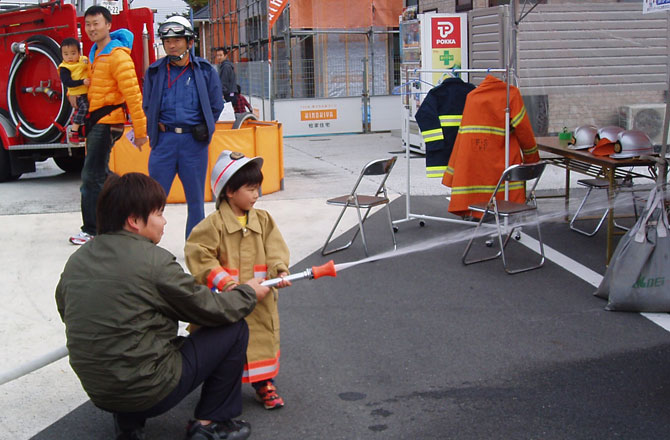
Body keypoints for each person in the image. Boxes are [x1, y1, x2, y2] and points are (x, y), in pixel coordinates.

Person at [56, 172, 268, 440]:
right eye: (158, 213)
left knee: (124, 340)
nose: (164, 221)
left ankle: (128, 425)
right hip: (149, 390)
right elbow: (210, 308)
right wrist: (248, 292)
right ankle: (211, 423)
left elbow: (67, 311)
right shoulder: (153, 262)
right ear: (134, 220)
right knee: (234, 327)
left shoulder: (76, 261)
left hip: (98, 390)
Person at [185, 150, 290, 411]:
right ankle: (219, 390)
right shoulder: (214, 224)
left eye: (257, 188)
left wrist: (279, 270)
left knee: (261, 341)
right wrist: (225, 283)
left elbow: (275, 247)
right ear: (229, 191)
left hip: (261, 299)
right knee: (223, 345)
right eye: (250, 189)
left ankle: (264, 383)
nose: (256, 195)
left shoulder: (264, 220)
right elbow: (198, 253)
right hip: (226, 301)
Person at [68, 5, 148, 245]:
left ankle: (92, 229)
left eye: (96, 23)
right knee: (100, 174)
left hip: (108, 121)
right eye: (88, 24)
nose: (92, 28)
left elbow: (133, 95)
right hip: (96, 120)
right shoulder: (93, 53)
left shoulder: (118, 56)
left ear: (109, 25)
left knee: (91, 177)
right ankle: (131, 201)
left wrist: (141, 131)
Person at [143, 16, 224, 239]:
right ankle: (147, 247)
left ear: (189, 42)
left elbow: (216, 104)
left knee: (196, 202)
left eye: (177, 40)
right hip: (164, 142)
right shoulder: (155, 71)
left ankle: (195, 250)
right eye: (167, 40)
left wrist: (204, 126)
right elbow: (147, 104)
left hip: (194, 144)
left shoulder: (205, 71)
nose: (171, 45)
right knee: (153, 199)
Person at [442, 74, 539, 218]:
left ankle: (478, 213)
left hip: (474, 158)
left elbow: (463, 135)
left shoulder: (472, 97)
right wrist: (532, 160)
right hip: (502, 158)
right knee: (502, 187)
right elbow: (523, 130)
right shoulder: (510, 95)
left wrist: (451, 174)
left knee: (478, 187)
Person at [58, 37, 90, 145]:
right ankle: (74, 130)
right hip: (77, 95)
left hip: (88, 92)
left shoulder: (83, 60)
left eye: (73, 53)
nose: (70, 57)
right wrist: (82, 82)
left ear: (79, 53)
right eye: (66, 54)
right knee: (84, 107)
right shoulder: (64, 68)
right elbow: (67, 82)